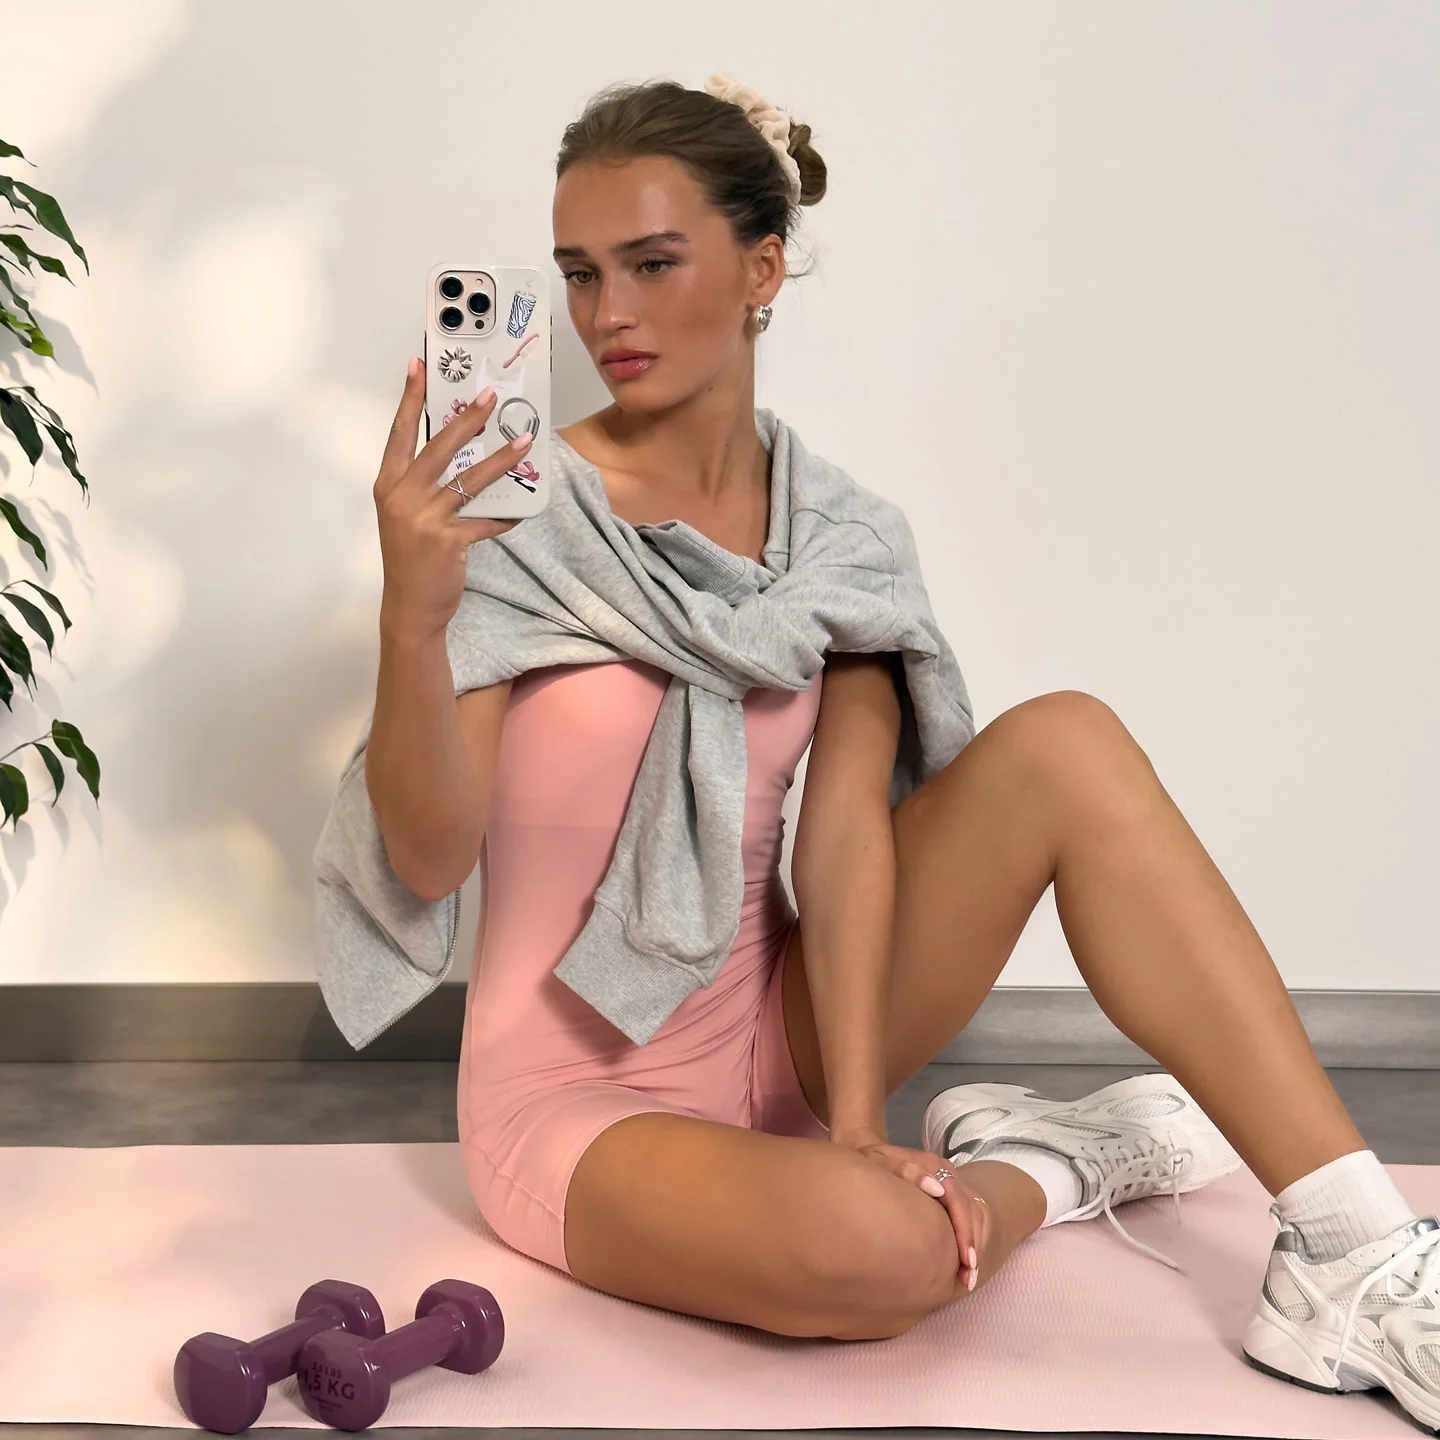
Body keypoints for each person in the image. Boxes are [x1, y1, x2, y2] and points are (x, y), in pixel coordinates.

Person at [362, 74, 1439, 1419]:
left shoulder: (840, 534)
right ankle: (1055, 1161)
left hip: (782, 1036)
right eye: (581, 273)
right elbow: (428, 856)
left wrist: (863, 1121)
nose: (607, 314)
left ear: (762, 269)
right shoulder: (505, 520)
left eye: (652, 263)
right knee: (879, 1257)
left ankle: (1353, 1249)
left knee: (1069, 744)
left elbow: (846, 835)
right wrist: (413, 618)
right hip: (574, 1095)